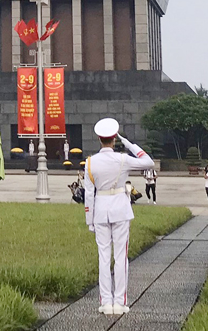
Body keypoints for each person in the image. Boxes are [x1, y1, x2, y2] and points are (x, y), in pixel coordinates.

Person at [83, 117, 154, 317]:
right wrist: (129, 143)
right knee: (121, 257)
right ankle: (119, 302)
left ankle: (106, 302)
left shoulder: (90, 162)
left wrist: (89, 221)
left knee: (104, 258)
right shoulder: (123, 159)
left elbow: (89, 195)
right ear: (114, 139)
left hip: (100, 211)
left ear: (99, 139)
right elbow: (147, 161)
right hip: (120, 209)